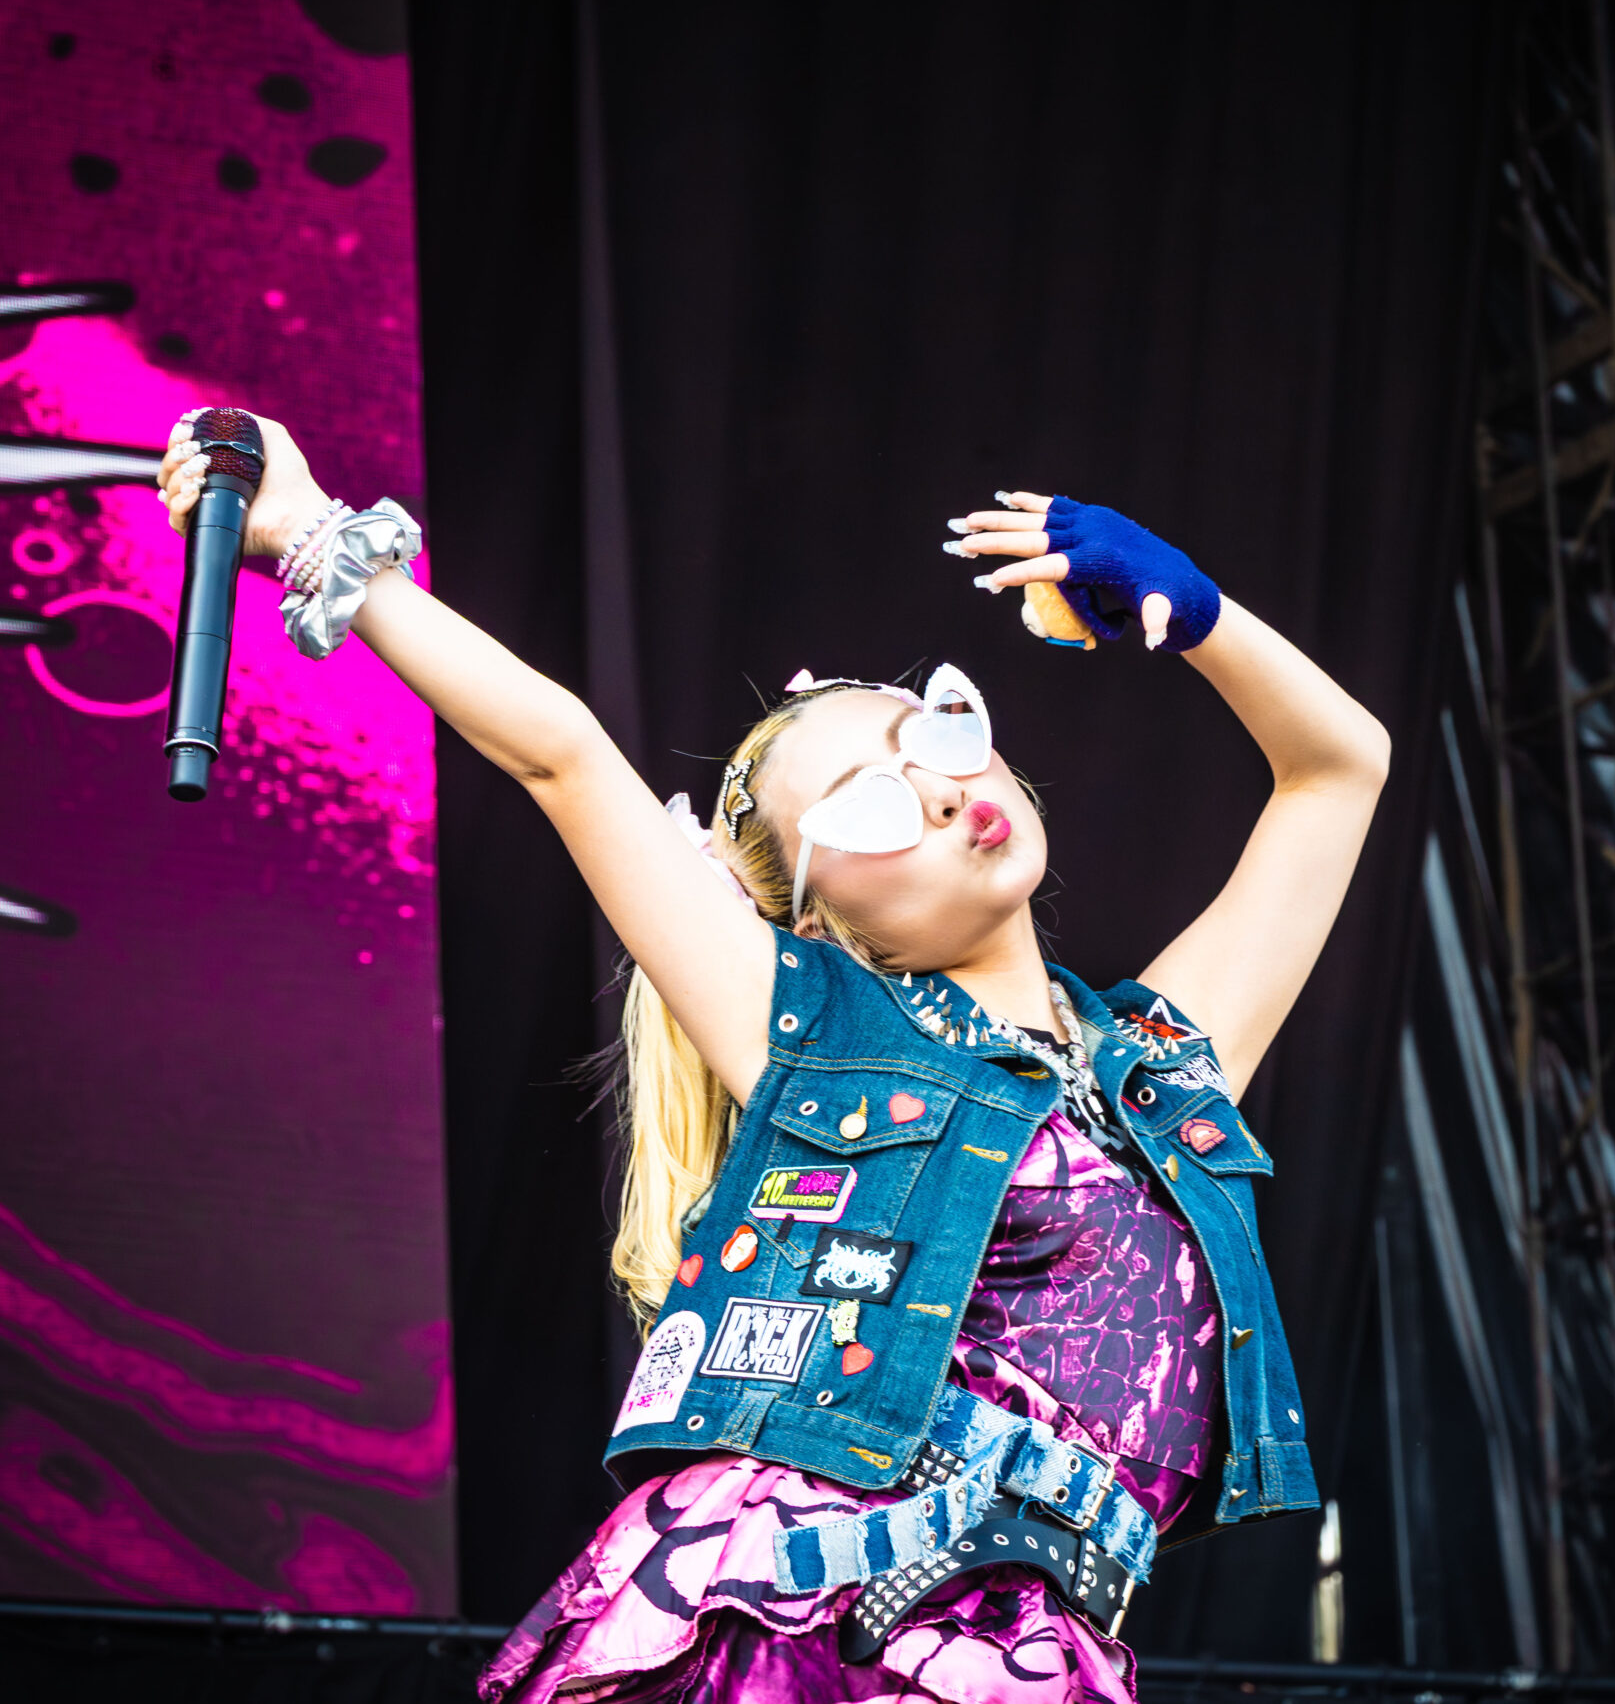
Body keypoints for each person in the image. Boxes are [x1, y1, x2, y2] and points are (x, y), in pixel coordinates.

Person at [158, 413, 1391, 1704]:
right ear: (808, 918)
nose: (937, 788)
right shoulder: (811, 1031)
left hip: (1034, 1645)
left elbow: (1341, 769)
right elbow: (562, 755)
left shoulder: (1164, 1064)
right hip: (814, 1612)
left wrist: (1196, 614)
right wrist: (313, 536)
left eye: (940, 731)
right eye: (867, 802)